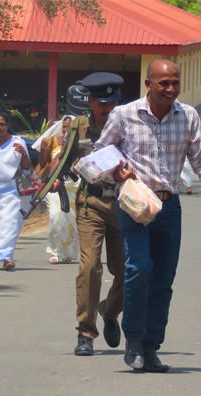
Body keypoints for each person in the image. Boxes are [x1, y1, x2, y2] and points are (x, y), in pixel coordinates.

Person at [99, 59, 201, 372]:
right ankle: (133, 339)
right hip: (134, 204)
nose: (171, 89)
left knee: (162, 281)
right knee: (138, 268)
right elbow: (100, 155)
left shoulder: (187, 116)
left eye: (175, 83)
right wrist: (116, 175)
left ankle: (151, 345)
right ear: (149, 84)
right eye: (164, 84)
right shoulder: (124, 115)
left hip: (169, 208)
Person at [71, 73, 126, 356]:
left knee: (128, 270)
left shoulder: (129, 125)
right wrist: (66, 171)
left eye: (113, 102)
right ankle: (85, 333)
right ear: (90, 102)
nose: (108, 109)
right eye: (102, 103)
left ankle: (110, 309)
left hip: (124, 206)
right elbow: (63, 160)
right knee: (89, 267)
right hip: (91, 204)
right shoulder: (77, 129)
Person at [0, 111, 32, 271]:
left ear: (8, 126)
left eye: (2, 124)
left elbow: (27, 166)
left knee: (9, 223)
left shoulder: (18, 142)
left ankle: (7, 257)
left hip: (10, 189)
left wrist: (23, 153)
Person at [35, 116, 80, 264]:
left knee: (69, 219)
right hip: (54, 185)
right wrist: (43, 148)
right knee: (55, 216)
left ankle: (68, 253)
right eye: (64, 126)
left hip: (73, 186)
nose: (66, 129)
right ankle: (55, 251)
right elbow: (42, 163)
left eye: (70, 127)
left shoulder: (79, 143)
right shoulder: (54, 140)